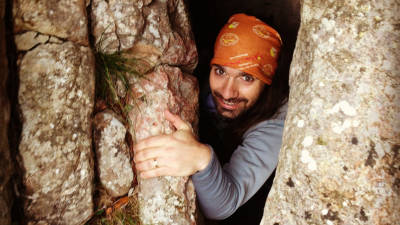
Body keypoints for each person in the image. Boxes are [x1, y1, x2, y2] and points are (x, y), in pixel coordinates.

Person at [134, 13, 289, 224]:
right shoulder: (201, 83)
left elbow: (222, 206)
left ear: (268, 82)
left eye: (246, 77)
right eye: (220, 71)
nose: (227, 91)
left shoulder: (277, 122)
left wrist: (202, 158)